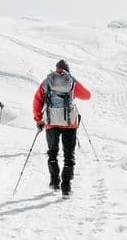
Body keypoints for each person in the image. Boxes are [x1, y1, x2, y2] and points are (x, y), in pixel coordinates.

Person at [32, 60, 91, 196]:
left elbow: (37, 100)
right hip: (69, 123)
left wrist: (38, 119)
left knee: (52, 152)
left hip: (51, 122)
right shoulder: (71, 81)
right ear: (67, 70)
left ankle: (54, 181)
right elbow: (87, 96)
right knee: (68, 155)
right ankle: (66, 186)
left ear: (56, 69)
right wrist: (73, 91)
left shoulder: (48, 81)